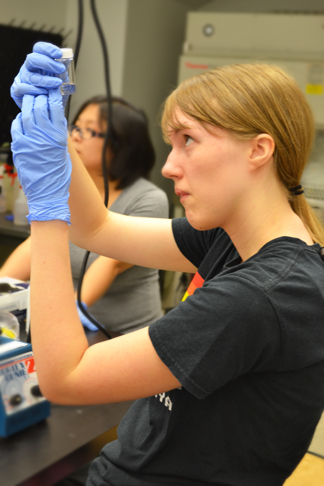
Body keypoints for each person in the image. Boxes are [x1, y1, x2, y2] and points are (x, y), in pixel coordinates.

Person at [10, 42, 324, 486]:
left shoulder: (260, 296)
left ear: (259, 150)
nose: (171, 167)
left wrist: (44, 210)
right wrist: (55, 138)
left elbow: (65, 377)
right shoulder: (233, 236)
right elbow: (97, 228)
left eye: (188, 141)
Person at [1, 94, 169, 335]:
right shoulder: (68, 190)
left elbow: (111, 262)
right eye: (75, 126)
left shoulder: (148, 199)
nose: (75, 136)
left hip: (127, 335)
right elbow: (35, 246)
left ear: (121, 144)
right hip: (74, 330)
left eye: (88, 130)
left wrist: (71, 311)